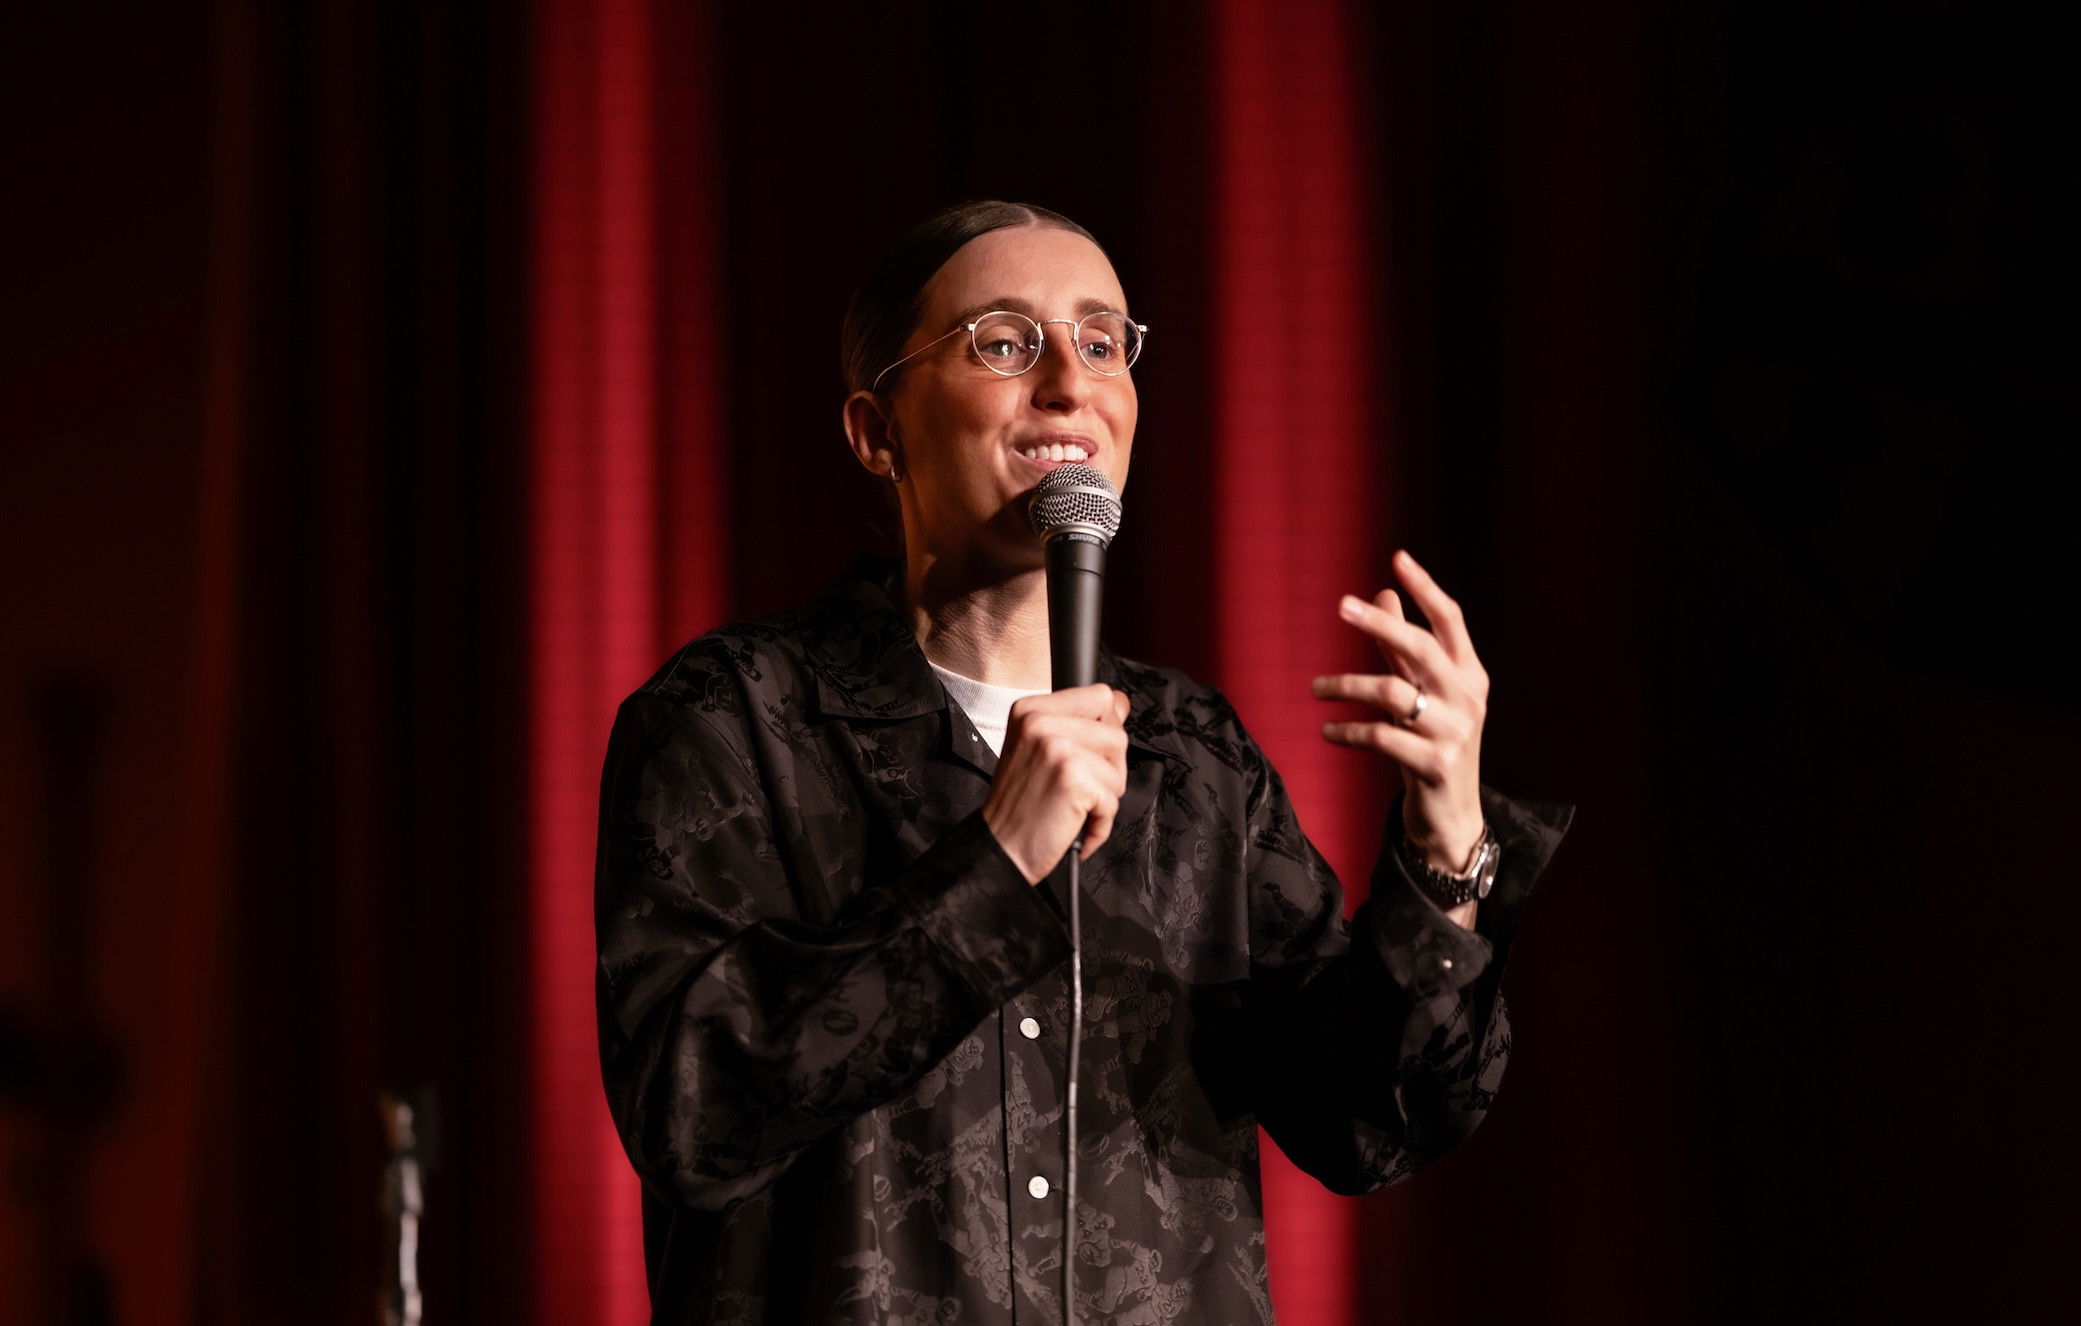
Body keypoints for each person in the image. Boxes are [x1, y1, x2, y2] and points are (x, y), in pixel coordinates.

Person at [595, 200, 1570, 1324]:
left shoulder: (1191, 756)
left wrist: (1445, 851)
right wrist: (995, 860)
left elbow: (1369, 1121)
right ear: (877, 432)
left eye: (1103, 343)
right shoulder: (732, 718)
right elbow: (692, 1115)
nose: (1070, 383)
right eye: (1005, 343)